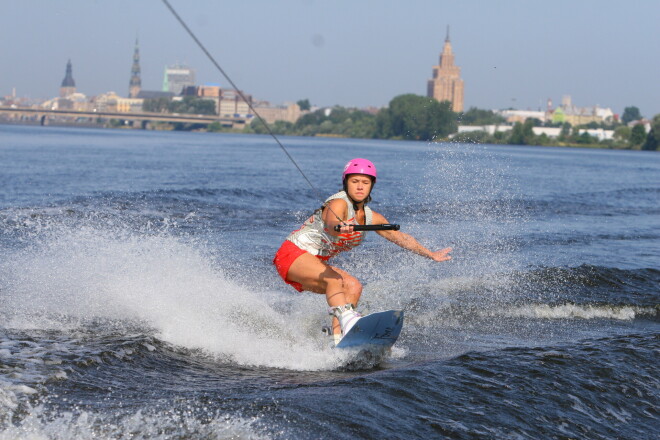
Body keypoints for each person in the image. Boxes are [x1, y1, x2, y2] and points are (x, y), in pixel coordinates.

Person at [273, 158, 452, 343]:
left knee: (353, 286)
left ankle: (337, 339)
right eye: (354, 181)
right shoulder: (338, 203)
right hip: (292, 254)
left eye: (365, 182)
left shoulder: (369, 216)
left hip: (314, 261)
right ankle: (349, 322)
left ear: (371, 186)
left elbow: (400, 237)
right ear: (346, 183)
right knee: (334, 280)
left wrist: (429, 254)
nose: (360, 187)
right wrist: (338, 226)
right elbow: (330, 221)